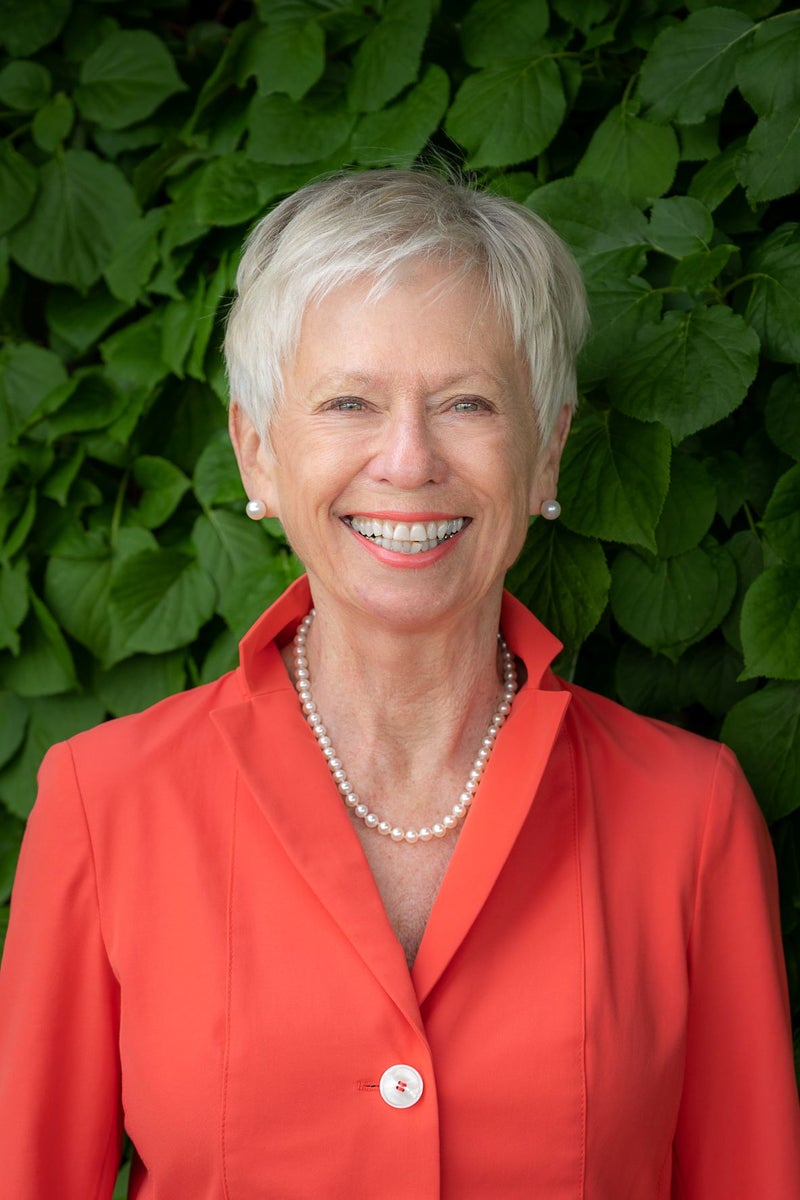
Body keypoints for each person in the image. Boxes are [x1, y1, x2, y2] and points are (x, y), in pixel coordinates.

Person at [0, 169, 798, 1199]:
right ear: (257, 453)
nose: (408, 460)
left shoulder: (688, 818)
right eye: (348, 402)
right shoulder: (105, 805)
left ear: (546, 452)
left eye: (465, 402)